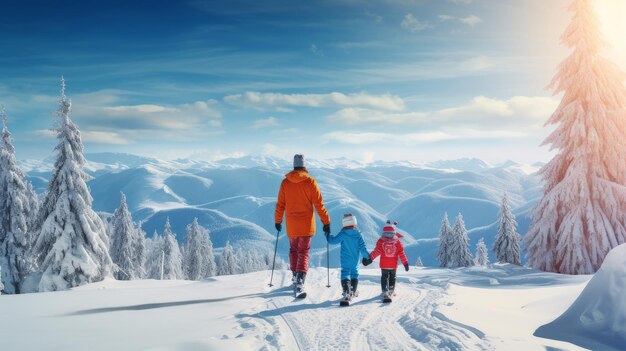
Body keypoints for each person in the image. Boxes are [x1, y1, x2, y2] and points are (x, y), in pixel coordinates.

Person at [275, 154, 331, 297]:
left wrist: (278, 220)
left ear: (294, 166)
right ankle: (300, 281)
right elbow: (319, 205)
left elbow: (280, 205)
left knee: (294, 250)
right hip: (306, 225)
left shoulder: (285, 183)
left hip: (292, 225)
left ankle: (295, 276)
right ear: (304, 166)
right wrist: (326, 222)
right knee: (303, 252)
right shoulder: (310, 182)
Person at [325, 213, 370, 302]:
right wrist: (367, 257)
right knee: (354, 273)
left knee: (345, 273)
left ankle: (346, 291)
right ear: (354, 221)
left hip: (345, 259)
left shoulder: (343, 233)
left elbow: (332, 241)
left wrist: (327, 234)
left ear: (344, 222)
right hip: (355, 260)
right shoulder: (359, 234)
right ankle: (353, 291)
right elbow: (363, 247)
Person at [363, 223, 409, 300]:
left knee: (384, 277)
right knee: (392, 277)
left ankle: (385, 290)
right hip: (393, 265)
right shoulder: (397, 242)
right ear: (394, 233)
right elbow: (401, 253)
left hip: (384, 265)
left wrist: (370, 259)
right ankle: (391, 290)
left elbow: (376, 251)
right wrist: (405, 263)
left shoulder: (381, 241)